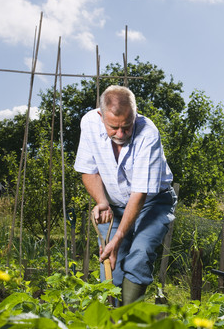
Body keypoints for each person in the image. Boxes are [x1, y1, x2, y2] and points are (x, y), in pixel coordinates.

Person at [74, 85, 176, 305]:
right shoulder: (89, 123)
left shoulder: (148, 134)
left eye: (126, 127)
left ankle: (128, 322)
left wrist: (118, 238)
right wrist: (101, 201)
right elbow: (88, 170)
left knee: (139, 255)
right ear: (101, 116)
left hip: (152, 202)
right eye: (114, 127)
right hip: (114, 204)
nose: (121, 134)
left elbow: (139, 193)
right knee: (111, 265)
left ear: (135, 115)